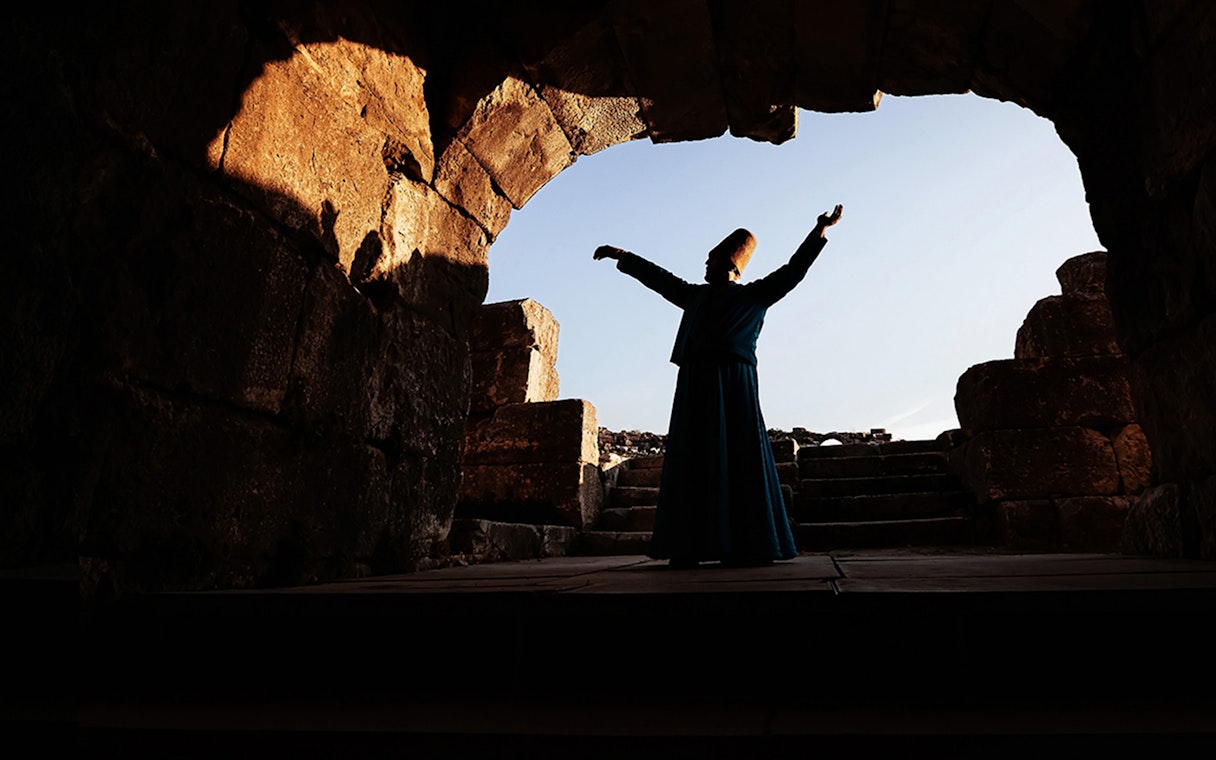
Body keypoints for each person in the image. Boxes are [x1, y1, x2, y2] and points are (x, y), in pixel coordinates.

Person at [593, 205, 843, 567]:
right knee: (694, 457)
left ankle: (744, 543)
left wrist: (819, 231)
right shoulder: (695, 296)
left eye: (710, 260)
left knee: (739, 453)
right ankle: (689, 546)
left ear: (730, 265)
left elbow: (794, 270)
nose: (705, 265)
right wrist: (625, 257)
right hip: (696, 380)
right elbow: (660, 279)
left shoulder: (755, 295)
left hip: (735, 382)